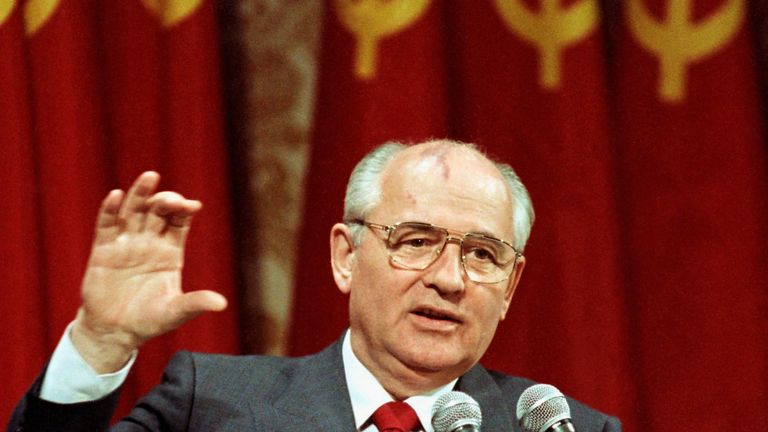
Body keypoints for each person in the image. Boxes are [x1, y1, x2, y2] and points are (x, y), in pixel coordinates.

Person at [8, 139, 621, 431]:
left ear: (510, 286)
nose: (448, 279)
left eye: (483, 254)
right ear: (345, 257)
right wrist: (100, 342)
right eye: (415, 242)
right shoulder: (212, 405)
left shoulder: (565, 430)